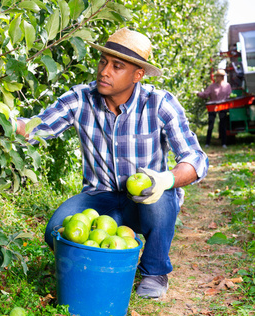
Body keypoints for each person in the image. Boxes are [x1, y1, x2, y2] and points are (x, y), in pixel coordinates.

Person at [16, 28, 209, 299]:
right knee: (56, 230)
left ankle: (154, 270)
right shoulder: (81, 98)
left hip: (144, 198)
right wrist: (6, 123)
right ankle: (110, 255)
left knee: (161, 198)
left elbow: (195, 158)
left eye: (117, 66)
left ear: (137, 74)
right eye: (103, 62)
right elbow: (39, 126)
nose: (104, 71)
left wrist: (163, 180)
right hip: (99, 197)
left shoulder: (159, 103)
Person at [196, 69, 232, 148]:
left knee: (223, 125)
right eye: (216, 76)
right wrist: (199, 94)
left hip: (223, 106)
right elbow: (205, 94)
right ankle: (207, 143)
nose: (217, 78)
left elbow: (229, 96)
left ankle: (223, 143)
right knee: (211, 124)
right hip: (212, 107)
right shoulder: (212, 86)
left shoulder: (227, 86)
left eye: (218, 76)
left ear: (222, 77)